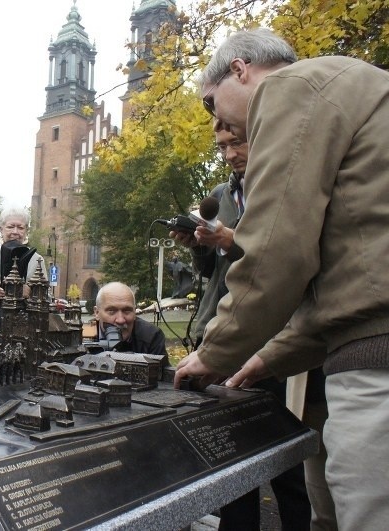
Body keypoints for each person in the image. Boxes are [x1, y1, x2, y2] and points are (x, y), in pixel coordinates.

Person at [174, 27, 389, 530]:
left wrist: (215, 352)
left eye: (211, 106)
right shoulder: (357, 87)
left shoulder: (290, 87)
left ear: (240, 69)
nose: (219, 125)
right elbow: (359, 277)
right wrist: (268, 358)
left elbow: (275, 252)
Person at [172, 127, 313, 531]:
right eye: (223, 146)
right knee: (230, 459)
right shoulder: (220, 193)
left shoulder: (284, 187)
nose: (230, 153)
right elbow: (211, 271)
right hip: (217, 330)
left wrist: (229, 239)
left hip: (271, 340)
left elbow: (282, 258)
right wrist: (198, 244)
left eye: (238, 143)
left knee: (286, 457)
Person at [92, 282, 167, 360]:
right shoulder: (81, 337)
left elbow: (161, 371)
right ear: (97, 313)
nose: (120, 320)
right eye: (111, 311)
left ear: (135, 312)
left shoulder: (151, 336)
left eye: (127, 310)